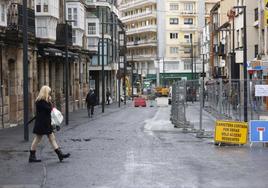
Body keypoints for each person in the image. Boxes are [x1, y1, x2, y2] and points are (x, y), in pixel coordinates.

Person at [29, 86, 70, 163]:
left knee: (52, 138)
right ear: (45, 92)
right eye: (49, 92)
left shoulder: (44, 101)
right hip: (41, 124)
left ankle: (60, 154)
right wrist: (50, 101)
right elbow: (48, 109)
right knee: (37, 139)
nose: (50, 94)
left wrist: (49, 101)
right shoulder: (40, 101)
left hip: (46, 124)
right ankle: (32, 156)